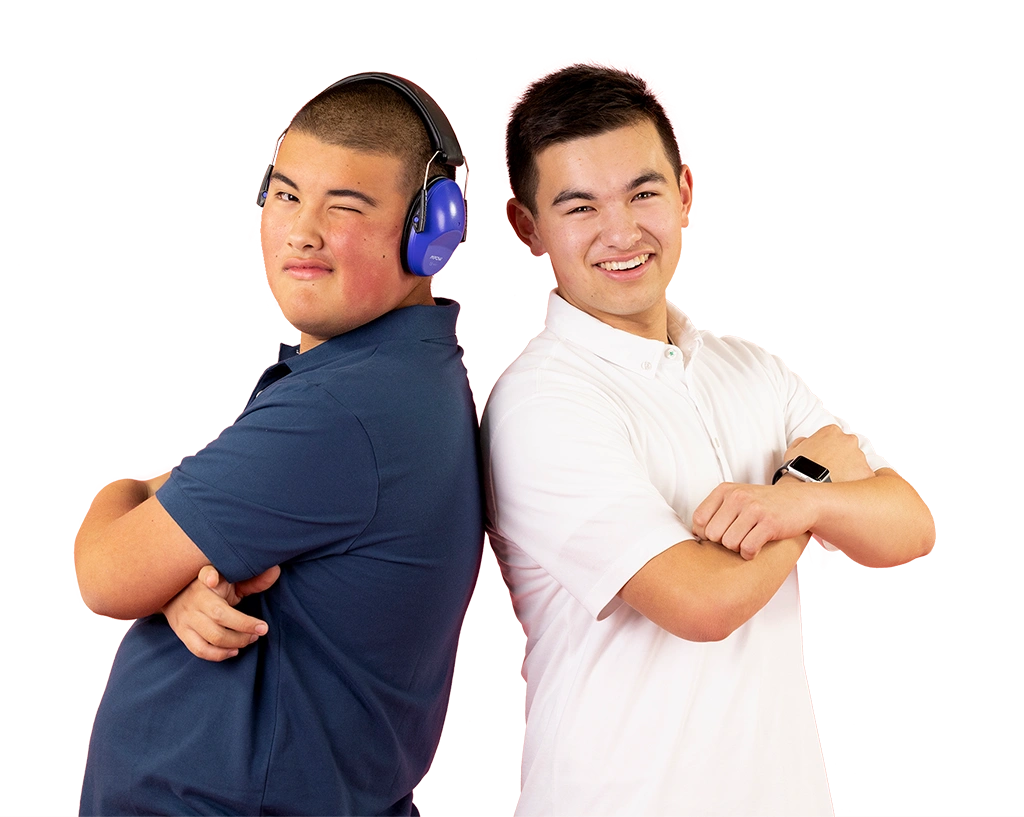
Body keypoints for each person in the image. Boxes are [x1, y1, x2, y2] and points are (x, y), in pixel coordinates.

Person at [482, 63, 936, 816]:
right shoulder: (540, 403)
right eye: (580, 206)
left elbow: (910, 525)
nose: (622, 232)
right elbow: (700, 602)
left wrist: (797, 502)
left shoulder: (749, 367)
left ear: (686, 192)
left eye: (644, 192)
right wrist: (808, 498)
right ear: (526, 225)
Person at [74, 73, 483, 817]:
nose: (302, 230)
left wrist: (130, 501)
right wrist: (175, 575)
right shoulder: (387, 373)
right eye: (288, 195)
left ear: (435, 229)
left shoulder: (340, 411)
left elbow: (102, 573)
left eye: (347, 207)